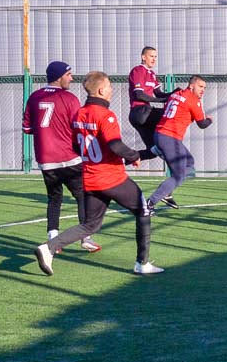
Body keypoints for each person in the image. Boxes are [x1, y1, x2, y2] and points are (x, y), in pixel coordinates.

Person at [34, 71, 163, 276]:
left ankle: (48, 248)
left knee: (90, 225)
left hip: (91, 179)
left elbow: (77, 146)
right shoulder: (106, 115)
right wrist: (133, 156)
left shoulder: (79, 114)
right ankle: (142, 263)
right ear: (101, 90)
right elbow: (115, 145)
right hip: (111, 178)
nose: (112, 89)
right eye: (110, 86)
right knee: (143, 211)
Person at [22, 61, 101, 253]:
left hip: (45, 160)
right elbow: (78, 128)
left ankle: (53, 240)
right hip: (68, 157)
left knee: (54, 198)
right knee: (84, 195)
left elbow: (27, 128)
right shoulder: (69, 98)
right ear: (59, 77)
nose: (71, 78)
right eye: (68, 75)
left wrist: (46, 133)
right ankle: (86, 237)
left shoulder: (34, 97)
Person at [147, 75, 212, 211]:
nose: (203, 90)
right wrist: (210, 119)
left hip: (161, 134)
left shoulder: (176, 94)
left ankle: (167, 191)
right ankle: (150, 203)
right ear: (191, 85)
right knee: (179, 174)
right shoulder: (194, 100)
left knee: (189, 163)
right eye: (200, 86)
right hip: (169, 137)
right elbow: (202, 124)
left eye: (204, 88)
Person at [128, 46, 180, 209]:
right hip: (140, 112)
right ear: (143, 57)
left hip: (145, 115)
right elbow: (139, 95)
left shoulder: (151, 74)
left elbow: (159, 94)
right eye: (151, 56)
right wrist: (164, 102)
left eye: (156, 56)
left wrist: (173, 94)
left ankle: (120, 160)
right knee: (170, 115)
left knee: (153, 151)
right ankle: (174, 146)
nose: (154, 59)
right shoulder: (138, 70)